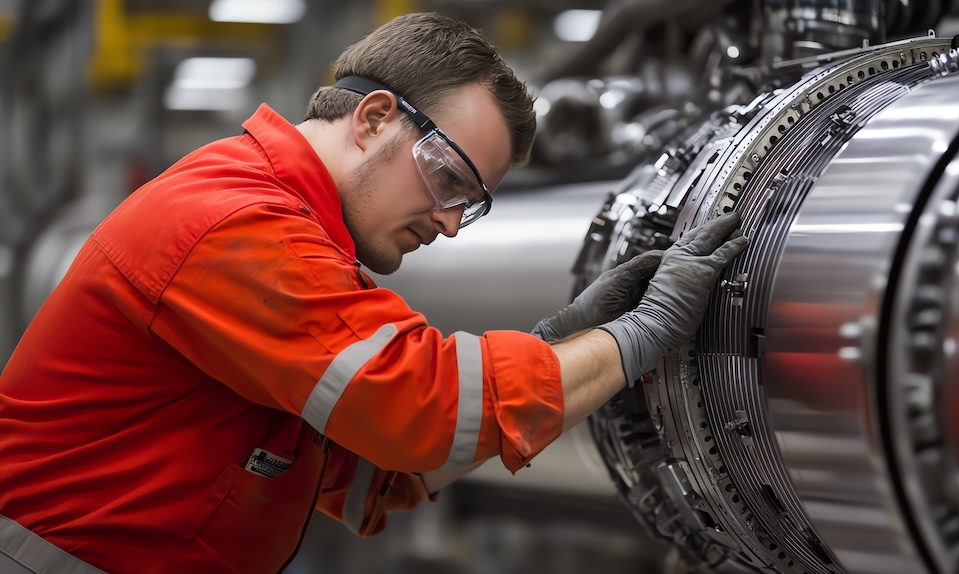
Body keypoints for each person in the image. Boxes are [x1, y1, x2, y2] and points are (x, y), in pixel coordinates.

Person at [0, 11, 748, 574]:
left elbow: (364, 473)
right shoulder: (239, 223)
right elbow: (419, 413)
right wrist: (638, 335)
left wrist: (559, 344)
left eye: (471, 202)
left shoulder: (283, 222)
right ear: (374, 119)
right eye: (448, 179)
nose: (452, 225)